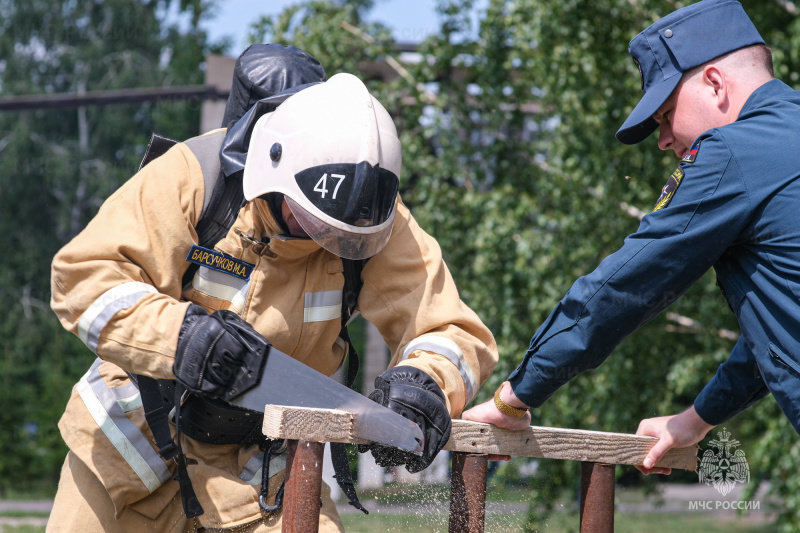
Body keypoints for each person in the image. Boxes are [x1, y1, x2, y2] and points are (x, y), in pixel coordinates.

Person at [47, 52, 497, 532]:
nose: (338, 242)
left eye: (349, 235)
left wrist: (424, 385)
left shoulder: (368, 212)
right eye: (320, 225)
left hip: (262, 477)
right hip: (130, 457)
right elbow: (84, 278)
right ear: (276, 176)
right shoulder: (195, 176)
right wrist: (181, 338)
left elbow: (453, 330)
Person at [464, 0, 799, 474]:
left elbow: (628, 284)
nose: (664, 139)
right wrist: (696, 419)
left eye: (664, 114)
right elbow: (783, 322)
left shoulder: (733, 152)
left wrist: (515, 398)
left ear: (715, 83)